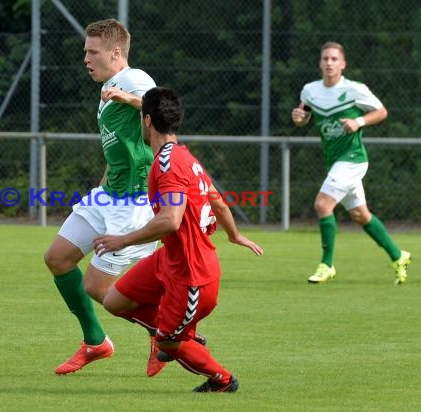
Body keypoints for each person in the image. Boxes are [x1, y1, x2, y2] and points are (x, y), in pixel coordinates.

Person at [93, 87, 263, 392]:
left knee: (169, 343)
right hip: (169, 259)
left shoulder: (168, 164)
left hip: (191, 274)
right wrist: (234, 235)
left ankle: (222, 380)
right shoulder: (185, 157)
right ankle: (184, 332)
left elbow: (170, 220)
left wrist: (123, 240)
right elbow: (219, 202)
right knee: (115, 300)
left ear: (146, 121)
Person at [44, 19, 158, 375]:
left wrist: (128, 97)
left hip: (133, 201)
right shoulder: (109, 87)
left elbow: (161, 107)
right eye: (85, 52)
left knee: (98, 286)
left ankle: (164, 330)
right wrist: (102, 186)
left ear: (116, 53)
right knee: (58, 258)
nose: (86, 59)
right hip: (108, 194)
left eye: (92, 52)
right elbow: (119, 149)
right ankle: (95, 342)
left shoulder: (133, 79)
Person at [291, 41, 411, 285]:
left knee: (323, 205)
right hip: (335, 161)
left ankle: (327, 264)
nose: (329, 63)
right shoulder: (310, 91)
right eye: (325, 59)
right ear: (320, 63)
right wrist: (299, 118)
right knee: (359, 214)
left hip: (353, 159)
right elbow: (304, 117)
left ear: (343, 64)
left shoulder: (355, 89)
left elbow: (381, 111)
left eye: (334, 59)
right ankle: (398, 255)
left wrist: (359, 122)